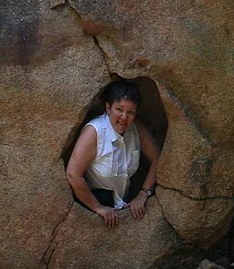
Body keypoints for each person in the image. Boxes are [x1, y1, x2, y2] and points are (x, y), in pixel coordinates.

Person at [66, 80, 162, 228]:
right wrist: (98, 207)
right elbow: (73, 174)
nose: (124, 117)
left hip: (125, 200)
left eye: (130, 112)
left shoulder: (136, 128)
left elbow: (158, 157)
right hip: (94, 202)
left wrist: (143, 194)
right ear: (108, 108)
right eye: (119, 109)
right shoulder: (95, 132)